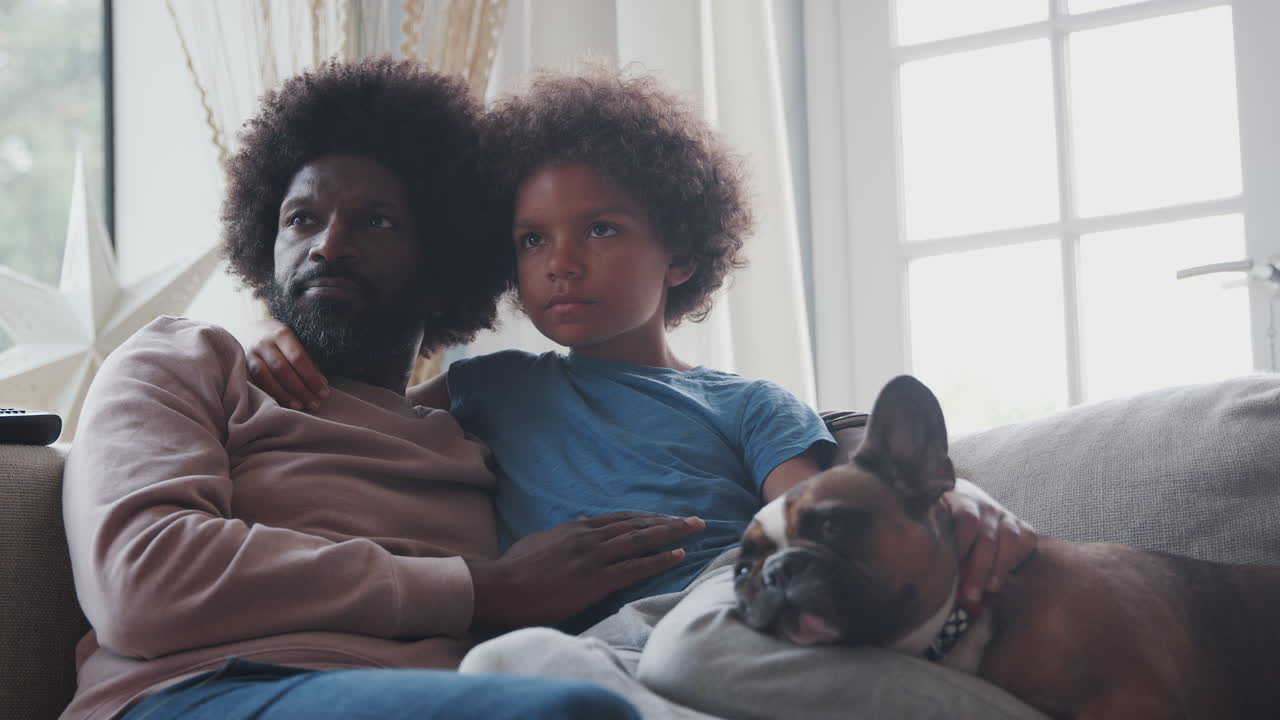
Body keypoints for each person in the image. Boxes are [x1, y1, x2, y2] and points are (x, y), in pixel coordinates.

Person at [247, 65, 1038, 718]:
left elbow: (817, 525)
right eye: (532, 240)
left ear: (682, 255)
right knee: (508, 664)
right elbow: (353, 413)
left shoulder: (750, 404)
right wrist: (277, 343)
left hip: (724, 612)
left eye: (600, 229)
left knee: (594, 657)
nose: (561, 261)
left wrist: (948, 494)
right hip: (600, 657)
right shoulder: (488, 387)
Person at [59, 57, 708, 720]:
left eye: (377, 222)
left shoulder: (483, 425)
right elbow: (143, 583)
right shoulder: (179, 362)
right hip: (203, 692)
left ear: (441, 262)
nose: (329, 246)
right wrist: (484, 588)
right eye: (301, 219)